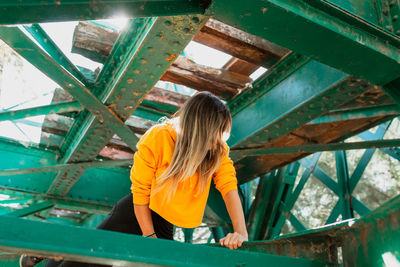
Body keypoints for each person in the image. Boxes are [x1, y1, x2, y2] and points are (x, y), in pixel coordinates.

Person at [20, 91, 248, 267]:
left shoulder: (217, 151)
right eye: (214, 136)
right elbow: (140, 194)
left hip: (165, 222)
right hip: (135, 213)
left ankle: (54, 249)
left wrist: (241, 232)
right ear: (199, 129)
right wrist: (149, 236)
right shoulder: (159, 137)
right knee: (83, 263)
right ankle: (51, 248)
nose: (217, 143)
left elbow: (229, 188)